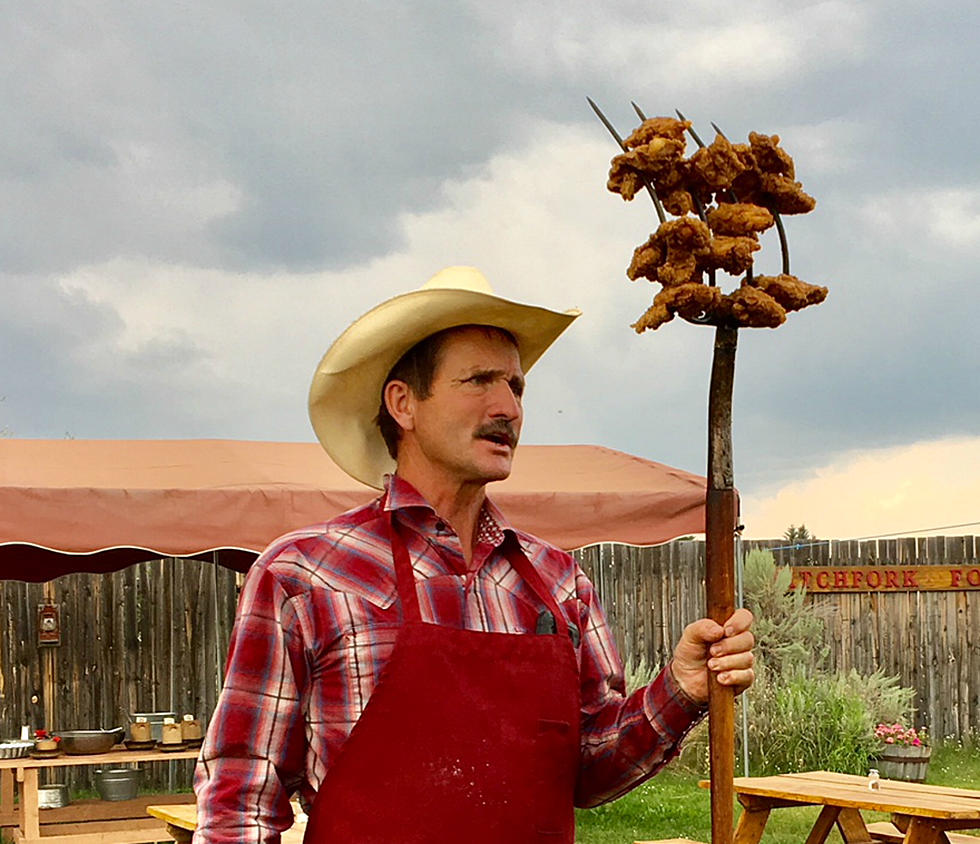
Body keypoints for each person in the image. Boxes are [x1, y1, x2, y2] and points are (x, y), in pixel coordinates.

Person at [193, 266, 754, 844]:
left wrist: (682, 688)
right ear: (404, 404)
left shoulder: (557, 583)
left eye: (516, 386)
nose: (507, 406)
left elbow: (587, 771)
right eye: (479, 380)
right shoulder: (305, 576)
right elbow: (241, 797)